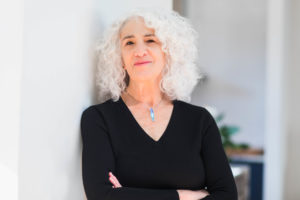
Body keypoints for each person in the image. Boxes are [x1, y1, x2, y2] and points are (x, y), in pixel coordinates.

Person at [80, 8, 238, 200]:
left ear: (168, 52)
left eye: (150, 40)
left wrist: (128, 195)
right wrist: (184, 196)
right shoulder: (99, 119)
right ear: (120, 58)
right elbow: (101, 196)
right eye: (129, 42)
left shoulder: (200, 120)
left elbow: (227, 195)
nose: (139, 51)